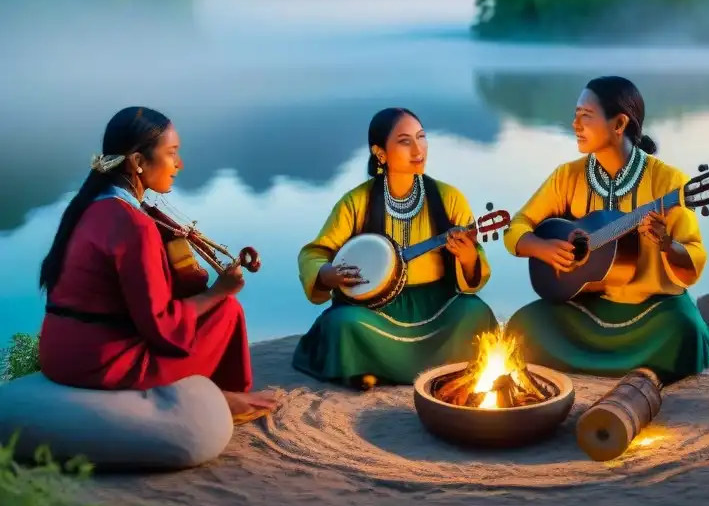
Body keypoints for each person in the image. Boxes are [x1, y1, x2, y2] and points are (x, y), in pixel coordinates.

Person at [37, 107, 282, 425]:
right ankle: (220, 398)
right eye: (172, 153)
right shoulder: (133, 225)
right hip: (98, 363)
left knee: (216, 308)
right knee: (227, 311)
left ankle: (221, 394)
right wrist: (219, 291)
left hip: (58, 352)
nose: (179, 164)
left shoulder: (89, 204)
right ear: (138, 162)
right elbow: (162, 328)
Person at [502, 76, 709, 385]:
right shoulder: (567, 176)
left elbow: (693, 256)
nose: (575, 124)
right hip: (586, 307)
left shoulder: (669, 182)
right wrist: (541, 247)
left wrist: (667, 244)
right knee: (523, 326)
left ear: (619, 124)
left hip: (651, 313)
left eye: (585, 117)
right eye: (575, 115)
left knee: (686, 331)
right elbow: (516, 227)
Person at [292, 107, 498, 388]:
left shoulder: (449, 198)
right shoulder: (356, 202)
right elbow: (315, 253)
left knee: (475, 313)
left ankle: (371, 366)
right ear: (380, 153)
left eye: (422, 137)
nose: (418, 149)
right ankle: (406, 365)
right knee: (342, 323)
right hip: (373, 310)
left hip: (436, 305)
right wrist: (326, 274)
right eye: (405, 141)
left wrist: (467, 257)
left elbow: (475, 267)